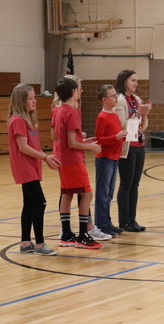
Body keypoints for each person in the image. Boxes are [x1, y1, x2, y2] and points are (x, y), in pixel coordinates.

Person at [51, 75, 110, 241]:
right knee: (86, 194)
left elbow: (56, 136)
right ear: (73, 91)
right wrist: (89, 146)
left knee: (67, 194)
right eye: (78, 89)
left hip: (62, 157)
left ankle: (67, 233)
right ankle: (84, 232)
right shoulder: (70, 111)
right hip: (73, 159)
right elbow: (71, 142)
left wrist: (81, 140)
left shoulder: (57, 109)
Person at [8, 84, 61, 256]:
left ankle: (25, 242)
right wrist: (45, 157)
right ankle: (39, 243)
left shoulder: (28, 120)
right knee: (40, 202)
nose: (34, 101)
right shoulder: (18, 121)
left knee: (29, 204)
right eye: (30, 98)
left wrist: (42, 160)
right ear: (21, 101)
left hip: (32, 166)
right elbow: (23, 147)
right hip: (25, 168)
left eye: (34, 97)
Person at [114, 70, 152, 232]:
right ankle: (124, 221)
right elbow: (122, 124)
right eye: (133, 80)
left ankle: (132, 219)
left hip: (138, 145)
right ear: (124, 82)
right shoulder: (119, 100)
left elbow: (143, 124)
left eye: (137, 80)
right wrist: (138, 113)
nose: (136, 84)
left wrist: (144, 115)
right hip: (127, 147)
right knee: (126, 184)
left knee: (135, 184)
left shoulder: (136, 99)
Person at [94, 84, 127, 237]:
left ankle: (107, 223)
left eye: (116, 95)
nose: (116, 98)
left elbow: (117, 135)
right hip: (105, 158)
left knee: (109, 192)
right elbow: (99, 139)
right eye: (113, 96)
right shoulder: (102, 117)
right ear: (105, 100)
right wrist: (116, 137)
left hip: (114, 157)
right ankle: (101, 224)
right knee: (103, 193)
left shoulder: (114, 115)